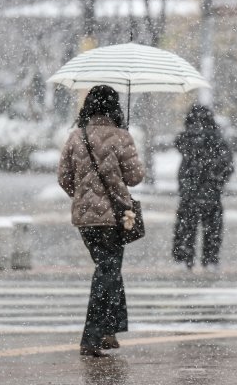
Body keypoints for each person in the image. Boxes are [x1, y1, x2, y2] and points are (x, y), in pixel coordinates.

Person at [57, 85, 145, 357]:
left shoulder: (76, 136)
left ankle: (110, 330)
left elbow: (63, 177)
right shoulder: (121, 137)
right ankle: (92, 336)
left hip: (85, 220)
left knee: (109, 269)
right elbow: (135, 178)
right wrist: (124, 143)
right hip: (114, 217)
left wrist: (83, 196)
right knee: (107, 272)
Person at [172, 104, 234, 272]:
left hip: (189, 191)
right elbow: (228, 165)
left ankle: (184, 259)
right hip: (211, 192)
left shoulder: (187, 138)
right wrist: (217, 182)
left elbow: (178, 143)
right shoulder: (217, 139)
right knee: (212, 228)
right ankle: (210, 259)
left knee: (186, 227)